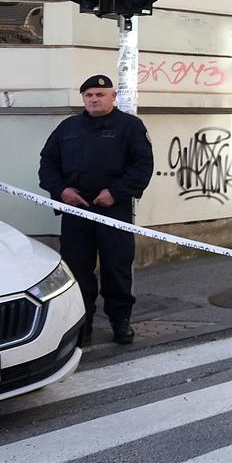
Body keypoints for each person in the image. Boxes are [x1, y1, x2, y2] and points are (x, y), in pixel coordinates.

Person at [38, 75, 154, 346]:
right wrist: (61, 191)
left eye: (100, 95)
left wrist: (115, 193)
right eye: (89, 95)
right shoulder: (68, 128)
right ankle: (83, 323)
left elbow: (142, 166)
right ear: (83, 98)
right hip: (76, 211)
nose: (94, 99)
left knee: (117, 267)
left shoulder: (129, 127)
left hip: (113, 210)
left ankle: (120, 320)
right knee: (77, 269)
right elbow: (48, 164)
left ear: (113, 97)